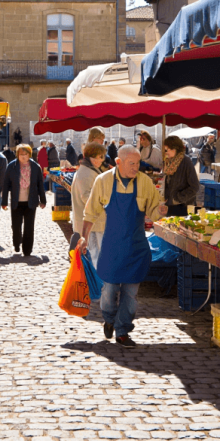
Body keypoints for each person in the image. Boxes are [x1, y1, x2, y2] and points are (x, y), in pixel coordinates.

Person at [78, 146, 166, 348]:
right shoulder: (103, 181)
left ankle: (123, 331)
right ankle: (109, 318)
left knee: (131, 294)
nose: (136, 167)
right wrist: (84, 238)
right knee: (108, 290)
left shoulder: (145, 182)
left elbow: (154, 211)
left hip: (136, 247)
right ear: (118, 162)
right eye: (131, 163)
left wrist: (160, 211)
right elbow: (90, 213)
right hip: (112, 247)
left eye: (138, 163)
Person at [1, 144, 47, 257]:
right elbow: (6, 184)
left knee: (29, 227)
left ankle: (27, 250)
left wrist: (43, 200)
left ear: (29, 155)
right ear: (17, 155)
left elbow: (40, 184)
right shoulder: (11, 166)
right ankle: (17, 243)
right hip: (16, 201)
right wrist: (4, 202)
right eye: (21, 154)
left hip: (31, 201)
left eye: (25, 154)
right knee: (16, 226)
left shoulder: (35, 167)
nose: (23, 156)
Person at [71, 143, 107, 266]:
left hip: (93, 223)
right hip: (92, 224)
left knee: (96, 257)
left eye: (102, 157)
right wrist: (108, 204)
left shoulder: (89, 170)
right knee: (95, 258)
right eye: (99, 157)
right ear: (91, 157)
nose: (101, 160)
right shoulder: (86, 173)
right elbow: (87, 198)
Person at [161, 136, 200, 217]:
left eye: (166, 150)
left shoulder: (186, 162)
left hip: (183, 206)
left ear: (174, 149)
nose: (165, 152)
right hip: (170, 205)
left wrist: (178, 197)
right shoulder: (168, 162)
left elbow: (195, 187)